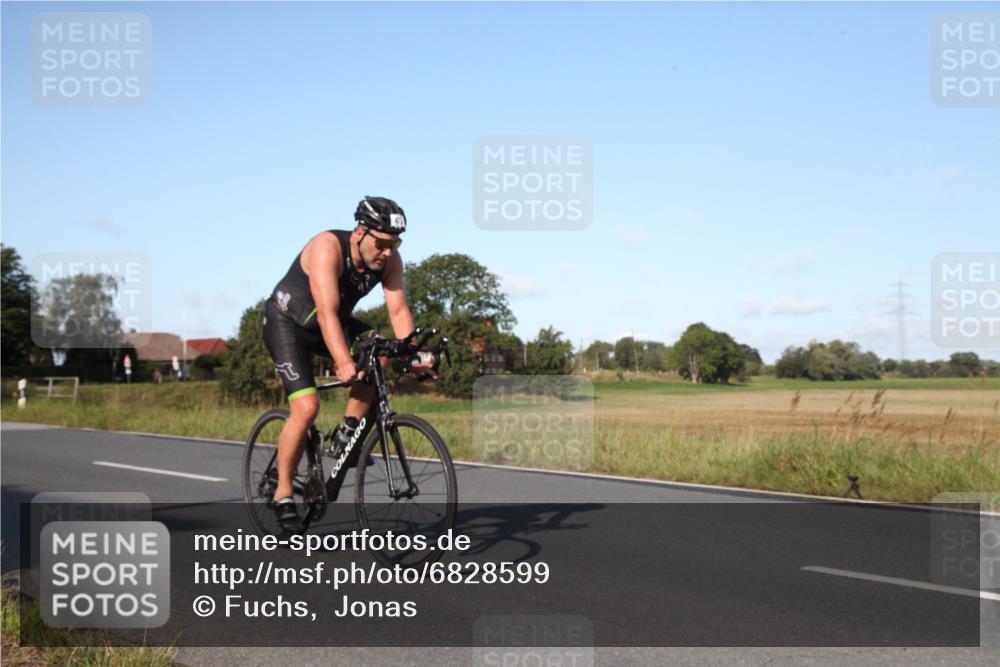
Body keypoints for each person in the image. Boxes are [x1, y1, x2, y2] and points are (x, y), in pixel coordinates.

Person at [262, 196, 437, 530]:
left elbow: (398, 312)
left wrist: (415, 356)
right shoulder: (327, 247)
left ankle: (347, 431)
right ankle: (282, 491)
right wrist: (343, 361)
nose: (388, 251)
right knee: (306, 408)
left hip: (332, 322)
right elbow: (326, 311)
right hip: (289, 324)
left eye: (395, 243)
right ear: (360, 232)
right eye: (382, 242)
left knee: (382, 351)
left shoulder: (390, 261)